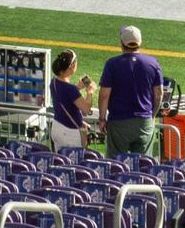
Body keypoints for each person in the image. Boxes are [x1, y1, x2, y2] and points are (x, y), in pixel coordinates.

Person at [98, 26, 164, 156]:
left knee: (115, 166)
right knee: (143, 165)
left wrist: (101, 119)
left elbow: (104, 95)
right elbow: (159, 94)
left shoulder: (112, 64)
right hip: (144, 121)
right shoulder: (153, 63)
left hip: (118, 122)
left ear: (122, 43)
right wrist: (152, 115)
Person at [47, 50, 93, 149]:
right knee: (74, 164)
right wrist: (90, 92)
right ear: (72, 66)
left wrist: (77, 88)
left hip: (57, 127)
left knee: (60, 161)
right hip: (70, 133)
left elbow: (65, 98)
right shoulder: (70, 89)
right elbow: (86, 109)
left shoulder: (54, 81)